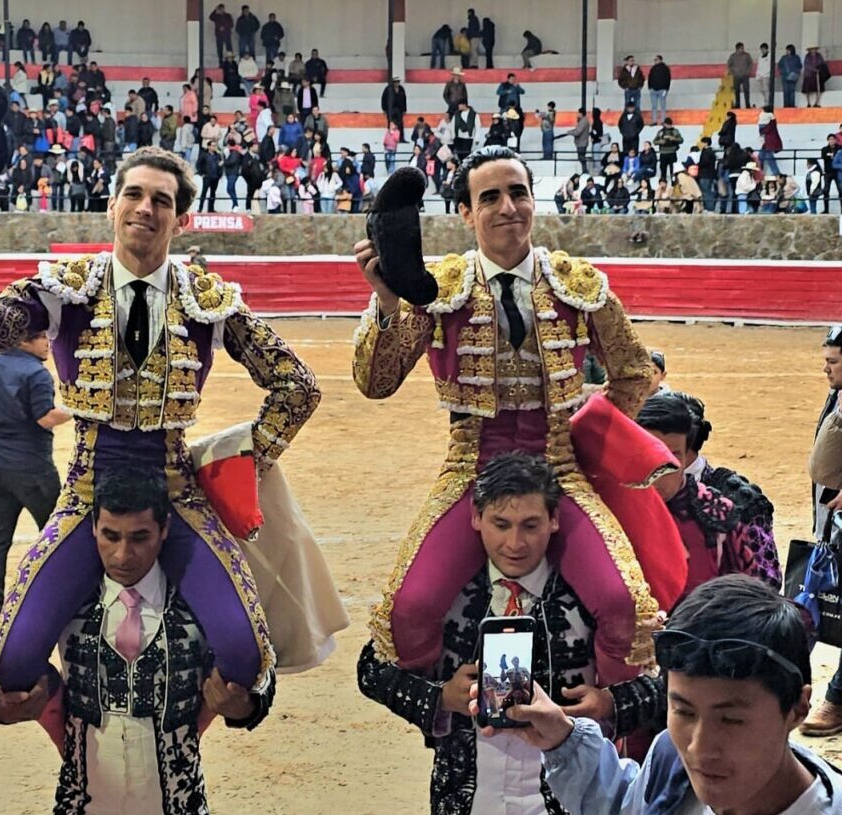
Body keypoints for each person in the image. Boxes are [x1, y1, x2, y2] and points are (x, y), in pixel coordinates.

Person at [0, 147, 320, 702]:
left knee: (244, 654)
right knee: (11, 662)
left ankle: (176, 731)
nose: (146, 208)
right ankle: (76, 735)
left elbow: (298, 385)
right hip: (87, 493)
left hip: (177, 492)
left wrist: (242, 462)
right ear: (112, 206)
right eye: (134, 195)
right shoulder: (67, 288)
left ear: (181, 220)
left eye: (161, 200)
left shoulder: (206, 300)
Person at [352, 145, 660, 690]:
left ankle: (607, 730)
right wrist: (386, 302)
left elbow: (635, 371)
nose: (507, 207)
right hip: (470, 472)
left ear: (534, 201)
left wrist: (591, 436)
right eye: (489, 197)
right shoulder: (437, 288)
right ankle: (446, 727)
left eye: (518, 192)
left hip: (559, 471)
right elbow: (376, 383)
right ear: (467, 213)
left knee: (626, 604)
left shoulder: (577, 284)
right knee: (408, 611)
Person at [0, 467, 274, 813]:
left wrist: (245, 707)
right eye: (110, 536)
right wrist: (0, 705)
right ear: (92, 530)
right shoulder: (67, 596)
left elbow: (259, 664)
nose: (122, 555)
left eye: (139, 537)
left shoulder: (200, 598)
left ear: (164, 530)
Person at [358, 453, 599, 815]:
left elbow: (661, 686)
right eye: (501, 524)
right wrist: (440, 697)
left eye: (530, 525)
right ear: (475, 517)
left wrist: (609, 705)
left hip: (566, 800)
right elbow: (371, 670)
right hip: (466, 795)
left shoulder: (589, 596)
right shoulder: (443, 593)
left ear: (554, 521)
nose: (515, 543)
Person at [480, 574, 841, 815]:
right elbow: (632, 807)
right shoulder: (670, 758)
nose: (699, 748)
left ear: (796, 708)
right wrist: (562, 739)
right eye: (683, 712)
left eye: (731, 719)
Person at [634, 393, 780, 594]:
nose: (658, 472)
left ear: (688, 453)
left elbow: (763, 589)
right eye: (647, 455)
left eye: (671, 457)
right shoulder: (610, 503)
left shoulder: (731, 508)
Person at [0, 329, 70, 629]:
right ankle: (58, 602)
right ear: (24, 341)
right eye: (41, 337)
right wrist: (78, 410)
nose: (48, 343)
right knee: (57, 538)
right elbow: (45, 417)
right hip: (33, 470)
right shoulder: (36, 374)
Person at [800, 325, 842, 736]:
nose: (825, 369)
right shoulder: (838, 394)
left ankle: (838, 698)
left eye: (832, 362)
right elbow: (824, 469)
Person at [727, 42, 754, 108]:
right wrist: (732, 73)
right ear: (737, 49)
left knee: (746, 90)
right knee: (736, 91)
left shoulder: (746, 55)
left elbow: (750, 64)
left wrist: (747, 72)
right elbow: (729, 65)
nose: (743, 49)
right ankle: (737, 105)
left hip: (745, 76)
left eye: (743, 48)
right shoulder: (732, 56)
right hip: (736, 77)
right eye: (741, 48)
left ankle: (747, 104)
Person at [381, 77, 407, 143]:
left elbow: (404, 99)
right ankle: (390, 139)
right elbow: (383, 99)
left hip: (399, 109)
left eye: (398, 82)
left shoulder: (401, 89)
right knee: (391, 123)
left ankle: (401, 138)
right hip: (390, 109)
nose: (397, 83)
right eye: (396, 82)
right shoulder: (388, 89)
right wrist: (384, 109)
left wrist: (404, 109)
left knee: (400, 124)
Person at [647, 55, 671, 125]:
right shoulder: (653, 69)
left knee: (662, 106)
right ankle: (654, 121)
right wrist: (650, 87)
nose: (655, 61)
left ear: (660, 60)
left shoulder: (665, 68)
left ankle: (663, 121)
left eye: (656, 59)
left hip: (662, 90)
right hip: (653, 90)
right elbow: (650, 78)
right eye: (654, 60)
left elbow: (668, 79)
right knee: (654, 106)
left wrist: (666, 89)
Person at [779, 44, 802, 108]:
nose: (786, 51)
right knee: (786, 92)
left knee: (792, 91)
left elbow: (799, 66)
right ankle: (786, 106)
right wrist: (782, 72)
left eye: (788, 50)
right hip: (785, 77)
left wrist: (795, 73)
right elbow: (779, 65)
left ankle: (791, 105)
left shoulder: (796, 57)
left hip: (793, 77)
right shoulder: (783, 58)